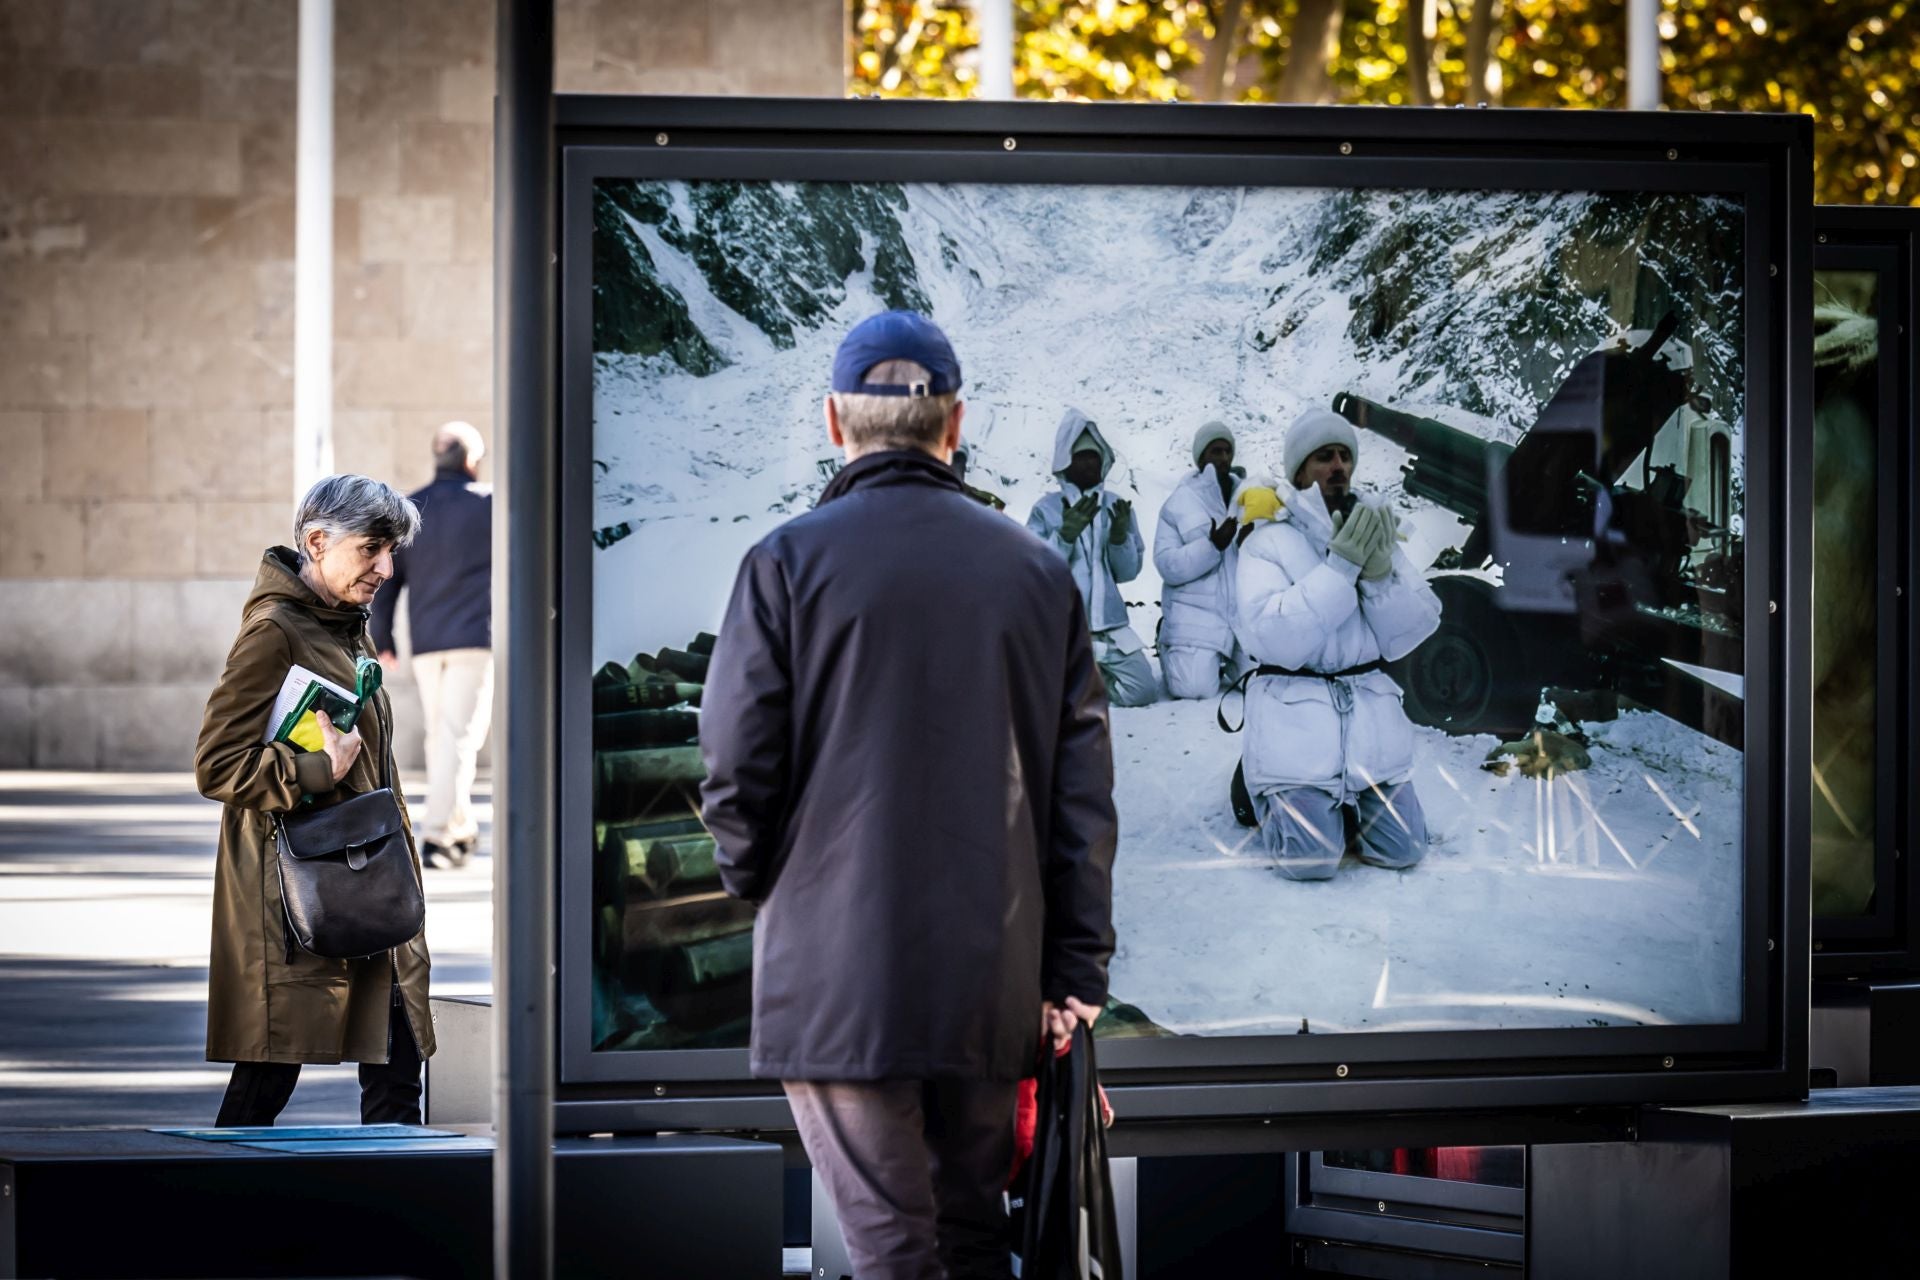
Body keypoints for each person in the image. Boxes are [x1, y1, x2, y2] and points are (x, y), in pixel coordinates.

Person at [700, 310, 1118, 1280]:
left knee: (890, 1242)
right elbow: (1081, 800)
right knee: (973, 1234)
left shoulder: (783, 563)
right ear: (954, 423)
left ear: (834, 422)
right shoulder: (1037, 572)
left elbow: (732, 765)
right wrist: (1076, 969)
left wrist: (773, 884)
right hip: (991, 979)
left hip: (838, 981)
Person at [195, 475, 436, 1125]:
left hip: (370, 876)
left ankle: (404, 1215)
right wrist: (313, 768)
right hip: (299, 888)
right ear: (318, 541)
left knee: (398, 1060)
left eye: (393, 552)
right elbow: (217, 764)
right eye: (372, 550)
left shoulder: (346, 625)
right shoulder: (274, 632)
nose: (386, 568)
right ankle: (203, 1213)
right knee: (269, 1073)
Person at [1231, 407, 1442, 881]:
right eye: (1324, 456)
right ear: (1300, 470)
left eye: (1345, 456)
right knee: (1310, 862)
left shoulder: (1372, 530)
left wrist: (1380, 575)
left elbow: (1412, 632)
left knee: (1405, 849)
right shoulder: (1267, 542)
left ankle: (1336, 803)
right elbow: (1273, 639)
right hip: (1297, 724)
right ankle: (1261, 785)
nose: (1338, 467)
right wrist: (1340, 569)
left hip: (1366, 725)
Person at [369, 421, 494, 870]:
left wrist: (383, 641)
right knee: (458, 736)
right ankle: (439, 835)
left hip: (425, 644)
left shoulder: (411, 507)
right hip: (475, 641)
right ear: (470, 460)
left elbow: (387, 578)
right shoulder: (492, 505)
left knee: (444, 735)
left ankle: (459, 827)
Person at [1025, 408, 1159, 707]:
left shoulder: (1116, 506)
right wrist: (1064, 537)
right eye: (1082, 456)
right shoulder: (1046, 509)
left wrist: (1119, 538)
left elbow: (1128, 573)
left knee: (1144, 691)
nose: (1090, 462)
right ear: (1066, 462)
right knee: (1041, 696)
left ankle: (1089, 681)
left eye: (1095, 456)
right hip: (1064, 627)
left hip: (1111, 627)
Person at [1153, 420, 1247, 699]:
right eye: (1215, 451)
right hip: (1195, 618)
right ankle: (1169, 643)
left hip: (1241, 619)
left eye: (1227, 451)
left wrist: (1249, 544)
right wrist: (1212, 546)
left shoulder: (1248, 498)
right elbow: (1167, 565)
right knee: (1194, 689)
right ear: (1200, 457)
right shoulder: (1179, 502)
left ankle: (1230, 657)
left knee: (1262, 683)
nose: (1222, 458)